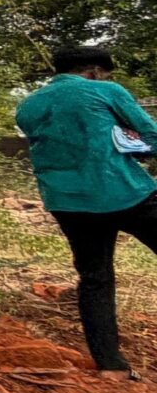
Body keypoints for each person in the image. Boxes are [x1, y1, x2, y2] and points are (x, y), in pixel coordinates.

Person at [14, 45, 157, 375]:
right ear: (93, 70)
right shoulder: (106, 90)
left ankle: (111, 366)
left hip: (67, 201)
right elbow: (151, 134)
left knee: (95, 279)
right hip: (123, 191)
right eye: (104, 73)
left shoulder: (29, 104)